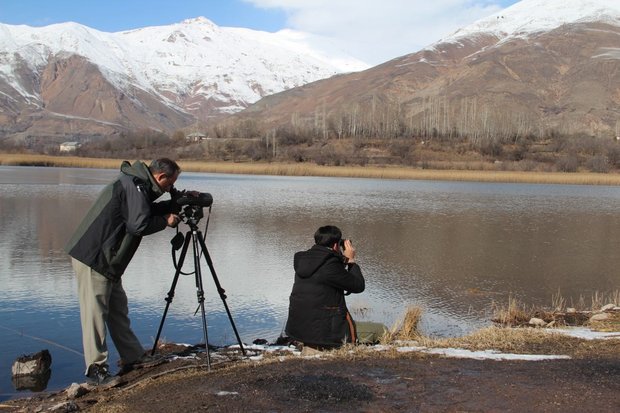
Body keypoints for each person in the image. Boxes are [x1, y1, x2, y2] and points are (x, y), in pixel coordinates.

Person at [65, 158, 184, 385]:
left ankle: (133, 356)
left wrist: (172, 205)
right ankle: (96, 369)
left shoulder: (137, 184)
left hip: (109, 260)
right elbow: (138, 224)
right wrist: (166, 221)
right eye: (170, 184)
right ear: (160, 177)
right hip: (95, 257)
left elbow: (141, 212)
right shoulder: (134, 185)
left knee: (118, 309)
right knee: (95, 315)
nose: (170, 188)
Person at [284, 225, 365, 349]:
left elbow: (327, 276)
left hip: (299, 331)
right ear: (335, 246)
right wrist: (351, 261)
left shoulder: (304, 260)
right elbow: (358, 286)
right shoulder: (330, 266)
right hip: (325, 336)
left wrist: (341, 259)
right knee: (380, 330)